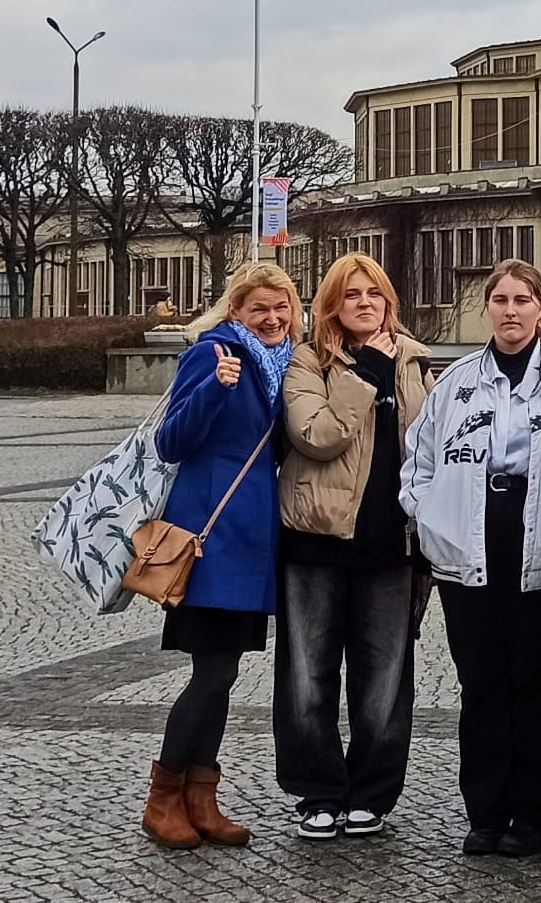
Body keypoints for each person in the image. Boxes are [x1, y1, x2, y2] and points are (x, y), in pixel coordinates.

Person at [400, 260, 541, 858]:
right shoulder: (457, 381)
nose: (511, 311)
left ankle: (533, 815)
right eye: (501, 299)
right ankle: (485, 813)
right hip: (470, 545)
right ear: (487, 307)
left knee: (534, 684)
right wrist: (431, 519)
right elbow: (419, 461)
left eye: (522, 300)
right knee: (482, 684)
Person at [140, 262, 300, 850]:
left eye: (281, 308)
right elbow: (171, 441)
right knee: (211, 672)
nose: (272, 319)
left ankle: (201, 796)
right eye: (259, 309)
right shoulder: (213, 353)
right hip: (208, 536)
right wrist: (216, 387)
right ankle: (163, 797)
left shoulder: (285, 363)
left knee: (224, 672)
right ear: (236, 311)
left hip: (253, 536)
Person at [275, 253, 435, 841]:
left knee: (384, 682)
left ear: (389, 301)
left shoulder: (416, 361)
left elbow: (432, 447)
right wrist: (365, 371)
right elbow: (316, 435)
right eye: (351, 295)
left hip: (391, 547)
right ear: (331, 306)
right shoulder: (308, 361)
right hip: (316, 542)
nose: (364, 303)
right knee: (308, 677)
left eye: (374, 293)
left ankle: (372, 792)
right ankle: (317, 792)